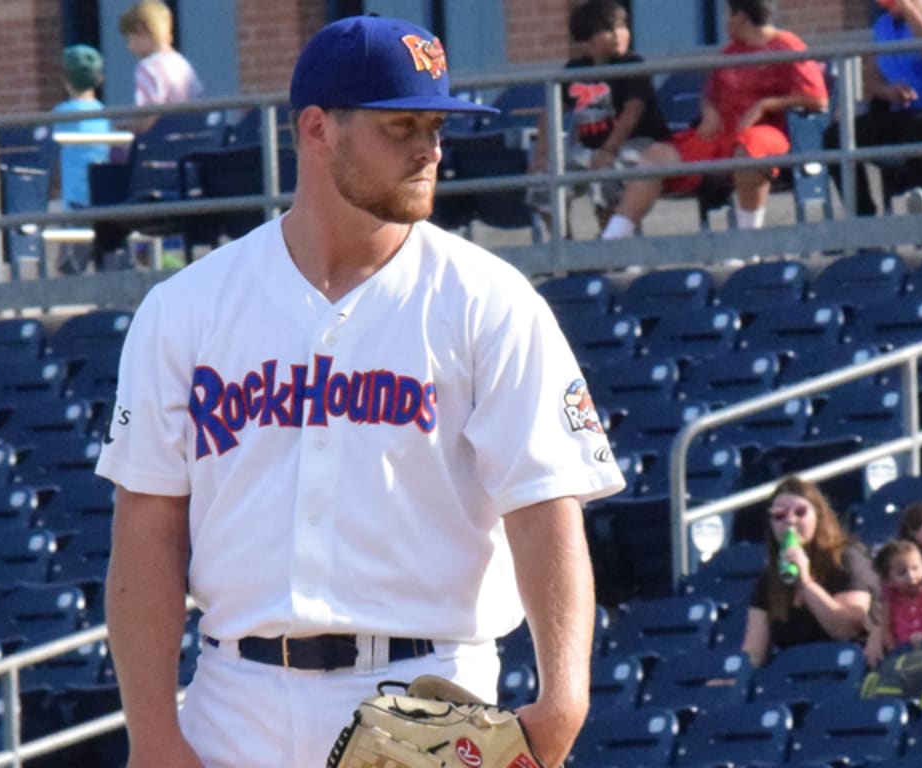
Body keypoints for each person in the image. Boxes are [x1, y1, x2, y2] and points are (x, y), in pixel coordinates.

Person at [97, 15, 627, 768]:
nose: (429, 149)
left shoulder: (487, 300)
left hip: (429, 692)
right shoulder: (188, 308)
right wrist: (152, 733)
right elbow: (147, 528)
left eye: (437, 126)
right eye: (401, 126)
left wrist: (564, 700)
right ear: (318, 129)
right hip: (235, 701)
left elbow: (545, 505)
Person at [599, 0, 829, 240]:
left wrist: (765, 104)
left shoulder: (787, 45)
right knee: (655, 157)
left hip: (766, 132)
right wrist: (708, 109)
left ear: (741, 17)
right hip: (719, 134)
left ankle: (747, 243)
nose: (726, 22)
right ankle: (610, 242)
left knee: (748, 152)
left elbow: (817, 98)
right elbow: (710, 93)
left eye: (728, 15)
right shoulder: (731, 52)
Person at [529, 0, 672, 236]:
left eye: (622, 26)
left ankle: (613, 250)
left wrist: (608, 150)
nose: (619, 35)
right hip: (590, 150)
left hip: (638, 146)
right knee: (543, 182)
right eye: (607, 30)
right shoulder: (574, 70)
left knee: (605, 179)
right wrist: (542, 155)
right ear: (586, 40)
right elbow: (550, 113)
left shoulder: (632, 65)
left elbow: (632, 112)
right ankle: (565, 250)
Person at [825, 0, 922, 216]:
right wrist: (888, 91)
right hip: (902, 113)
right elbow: (871, 77)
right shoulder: (883, 26)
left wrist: (909, 10)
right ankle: (863, 218)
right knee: (836, 136)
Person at [742, 475, 877, 668]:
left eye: (800, 512)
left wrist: (805, 582)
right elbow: (754, 652)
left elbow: (846, 629)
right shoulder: (770, 578)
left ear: (818, 516)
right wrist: (731, 681)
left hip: (846, 669)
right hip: (796, 675)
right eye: (779, 515)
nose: (790, 520)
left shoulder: (847, 557)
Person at [52, 45, 116, 275]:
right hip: (101, 196)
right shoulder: (103, 112)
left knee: (69, 264)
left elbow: (50, 150)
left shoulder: (62, 113)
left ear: (65, 79)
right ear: (99, 79)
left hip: (74, 201)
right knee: (104, 257)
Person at [120, 0, 204, 132]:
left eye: (130, 39)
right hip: (189, 138)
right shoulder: (182, 64)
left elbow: (149, 116)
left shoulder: (147, 68)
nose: (129, 47)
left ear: (142, 30)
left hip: (162, 142)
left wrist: (130, 127)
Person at [866, 539, 922, 666]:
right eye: (902, 573)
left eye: (916, 568)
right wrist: (894, 654)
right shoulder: (891, 601)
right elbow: (886, 630)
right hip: (905, 655)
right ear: (888, 580)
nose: (911, 576)